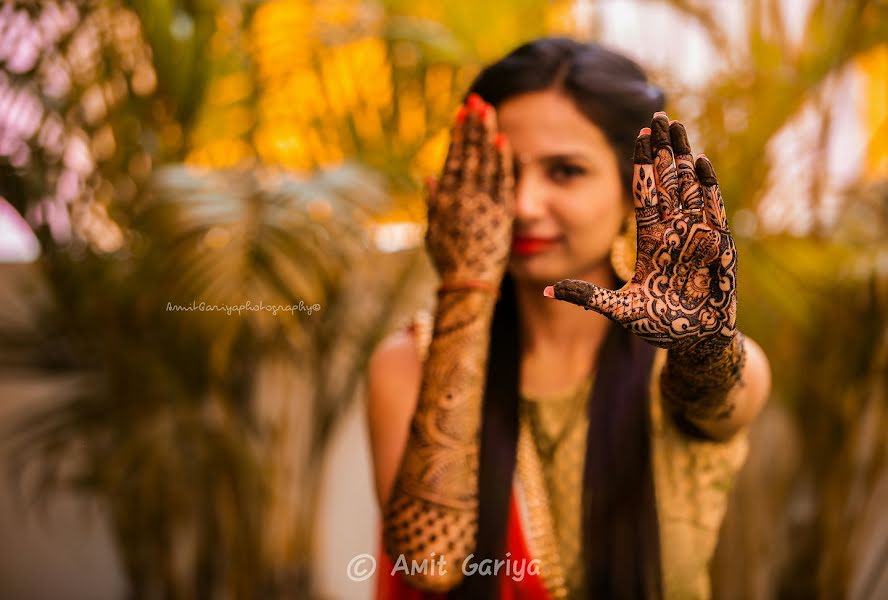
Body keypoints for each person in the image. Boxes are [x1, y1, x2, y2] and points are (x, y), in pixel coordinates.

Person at [366, 37, 770, 600]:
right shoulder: (409, 365)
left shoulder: (691, 363)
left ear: (636, 189)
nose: (525, 203)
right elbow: (428, 566)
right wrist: (465, 287)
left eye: (565, 171)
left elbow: (720, 388)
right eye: (503, 171)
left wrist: (704, 342)